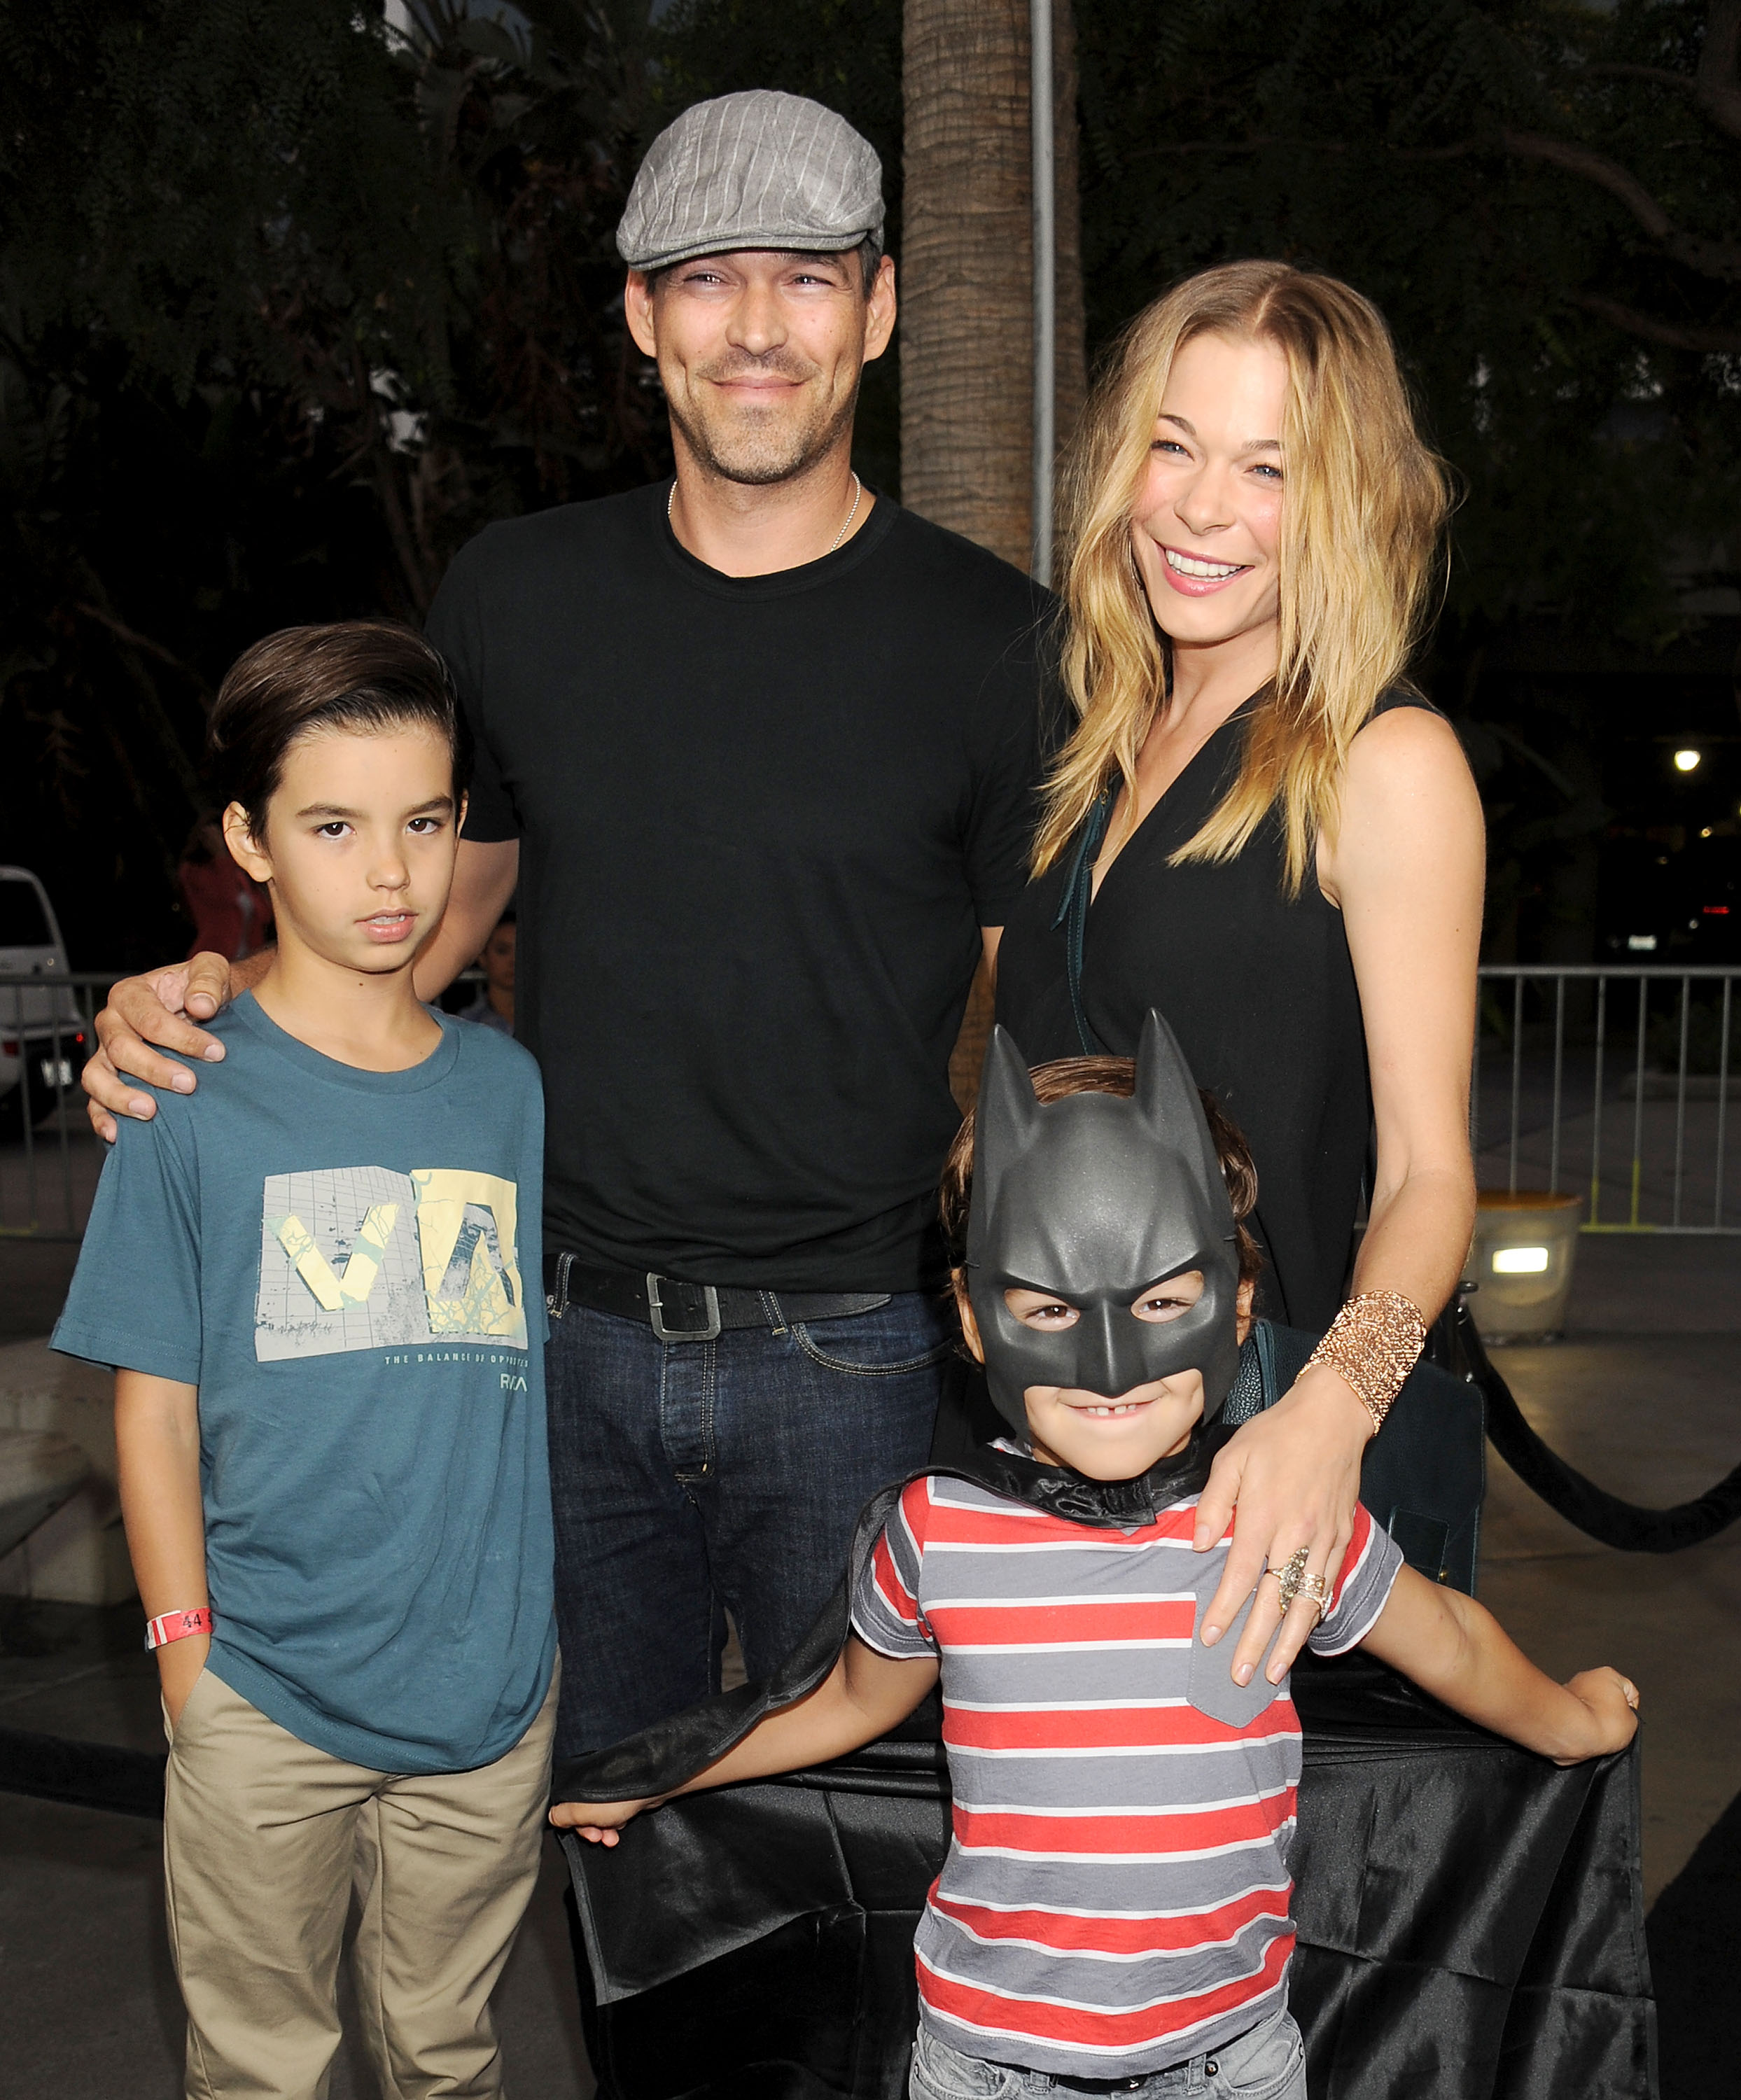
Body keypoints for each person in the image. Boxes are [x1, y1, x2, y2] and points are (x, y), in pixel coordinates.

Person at [76, 90, 1053, 1768]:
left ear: (880, 309)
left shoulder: (998, 642)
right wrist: (206, 1001)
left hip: (856, 1349)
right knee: (604, 1825)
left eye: (808, 279)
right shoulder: (515, 594)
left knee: (861, 1832)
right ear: (641, 315)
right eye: (707, 278)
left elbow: (1028, 1008)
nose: (757, 327)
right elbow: (423, 907)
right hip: (554, 1343)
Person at [552, 1019, 1639, 2099]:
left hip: (1227, 2061)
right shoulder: (934, 1534)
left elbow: (1444, 1637)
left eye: (1164, 1302)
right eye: (1048, 1309)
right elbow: (844, 1702)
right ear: (977, 1325)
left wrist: (1571, 1720)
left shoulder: (1277, 1523)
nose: (1111, 1365)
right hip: (984, 2063)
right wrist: (668, 1776)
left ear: (1238, 1301)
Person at [53, 623, 557, 2100]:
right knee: (261, 2073)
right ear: (248, 839)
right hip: (263, 1693)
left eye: (424, 821)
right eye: (332, 826)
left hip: (487, 1694)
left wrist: (528, 1656)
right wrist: (185, 1665)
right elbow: (152, 1410)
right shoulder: (185, 1089)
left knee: (451, 2057)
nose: (389, 873)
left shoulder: (506, 1090)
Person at [993, 260, 1486, 1700]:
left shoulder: (1383, 765)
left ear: (1339, 501)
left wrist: (1332, 1409)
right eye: (1173, 445)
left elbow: (1427, 1180)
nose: (1203, 509)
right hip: (1072, 1432)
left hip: (1280, 1446)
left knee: (1307, 1904)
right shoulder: (1106, 737)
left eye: (1266, 468)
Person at [177, 813, 273, 960]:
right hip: (216, 952)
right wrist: (220, 855)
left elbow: (265, 913)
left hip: (249, 954)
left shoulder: (237, 873)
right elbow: (226, 896)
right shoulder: (193, 871)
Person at [459, 906, 515, 1035]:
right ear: (483, 956)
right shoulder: (467, 1023)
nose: (513, 960)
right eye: (502, 951)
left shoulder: (549, 1015)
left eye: (521, 952)